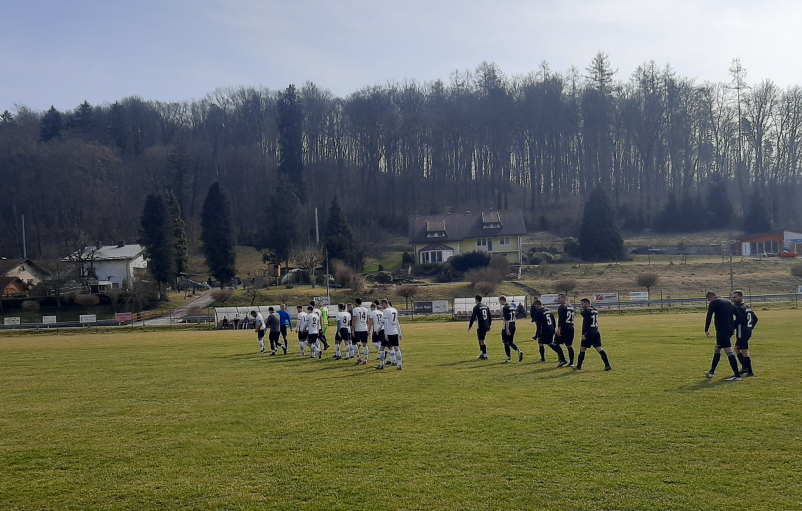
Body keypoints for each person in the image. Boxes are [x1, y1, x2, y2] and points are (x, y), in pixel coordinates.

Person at [704, 291, 741, 381]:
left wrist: (706, 329)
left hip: (722, 330)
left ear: (711, 297)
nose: (709, 301)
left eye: (709, 299)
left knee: (729, 350)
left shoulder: (714, 302)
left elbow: (709, 316)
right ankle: (712, 371)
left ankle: (737, 375)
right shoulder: (728, 302)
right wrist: (733, 327)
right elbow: (738, 315)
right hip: (728, 330)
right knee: (717, 348)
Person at [576, 298, 612, 371]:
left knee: (582, 349)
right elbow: (590, 318)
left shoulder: (586, 310)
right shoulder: (595, 310)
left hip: (588, 333)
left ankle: (579, 366)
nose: (582, 305)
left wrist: (583, 333)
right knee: (599, 348)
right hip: (596, 332)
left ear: (586, 303)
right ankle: (607, 364)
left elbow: (585, 322)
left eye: (582, 303)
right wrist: (582, 313)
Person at [732, 290, 758, 378]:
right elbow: (755, 319)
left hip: (742, 332)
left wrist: (732, 326)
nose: (733, 299)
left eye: (735, 297)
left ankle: (750, 371)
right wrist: (750, 328)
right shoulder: (747, 307)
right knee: (737, 348)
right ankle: (745, 367)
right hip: (747, 331)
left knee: (744, 350)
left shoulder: (739, 308)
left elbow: (739, 320)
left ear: (740, 297)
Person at [533, 300, 567, 365]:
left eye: (535, 305)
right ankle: (543, 358)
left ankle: (562, 357)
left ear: (537, 305)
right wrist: (554, 329)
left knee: (550, 344)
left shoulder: (539, 312)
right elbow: (553, 320)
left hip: (545, 331)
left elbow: (539, 325)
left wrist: (537, 334)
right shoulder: (548, 310)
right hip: (551, 329)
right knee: (540, 343)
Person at [376, 299, 403, 370]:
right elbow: (397, 322)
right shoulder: (394, 310)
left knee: (382, 347)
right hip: (395, 332)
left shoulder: (385, 311)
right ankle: (399, 365)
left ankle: (382, 365)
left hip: (389, 332)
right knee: (397, 348)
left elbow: (386, 323)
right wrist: (400, 333)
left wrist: (385, 334)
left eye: (382, 305)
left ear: (385, 304)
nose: (381, 306)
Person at [499, 296, 523, 362]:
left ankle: (509, 358)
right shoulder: (512, 307)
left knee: (506, 342)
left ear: (502, 300)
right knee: (510, 342)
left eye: (500, 301)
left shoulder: (505, 308)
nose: (500, 303)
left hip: (508, 326)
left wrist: (507, 329)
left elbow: (507, 319)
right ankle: (519, 351)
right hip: (513, 325)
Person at [468, 295, 492, 360]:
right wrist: (489, 325)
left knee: (482, 340)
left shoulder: (476, 307)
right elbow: (490, 317)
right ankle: (482, 353)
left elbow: (473, 317)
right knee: (480, 339)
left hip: (481, 325)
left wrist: (470, 326)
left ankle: (485, 355)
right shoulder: (486, 307)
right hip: (486, 325)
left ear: (476, 300)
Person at [556, 294, 576, 367]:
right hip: (571, 327)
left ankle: (563, 359)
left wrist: (559, 329)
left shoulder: (562, 307)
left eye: (559, 298)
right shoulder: (571, 306)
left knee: (555, 344)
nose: (558, 300)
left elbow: (561, 319)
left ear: (564, 299)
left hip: (564, 328)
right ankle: (571, 362)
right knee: (569, 345)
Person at [352, 298, 370, 365]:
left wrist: (353, 330)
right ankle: (366, 359)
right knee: (365, 344)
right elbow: (368, 320)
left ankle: (359, 357)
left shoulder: (355, 309)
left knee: (353, 343)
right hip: (364, 328)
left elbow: (354, 320)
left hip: (358, 329)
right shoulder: (366, 309)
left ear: (356, 303)